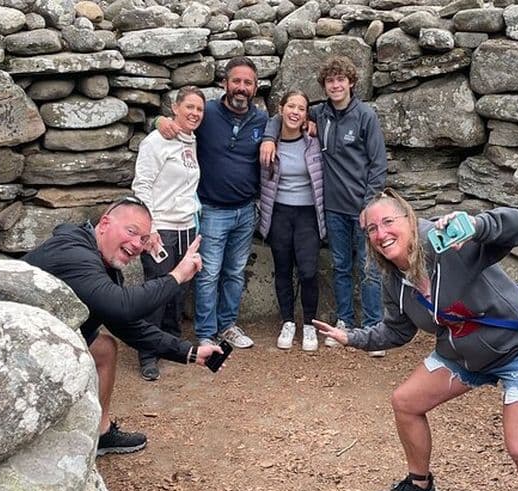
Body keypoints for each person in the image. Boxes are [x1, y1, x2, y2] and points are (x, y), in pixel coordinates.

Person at [314, 189, 518, 491]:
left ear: (409, 220)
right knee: (405, 402)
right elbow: (397, 331)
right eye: (371, 229)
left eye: (388, 222)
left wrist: (478, 225)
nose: (381, 234)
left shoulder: (445, 243)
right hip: (463, 355)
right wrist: (351, 337)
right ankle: (421, 487)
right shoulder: (393, 277)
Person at [22, 196, 223, 456]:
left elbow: (125, 323)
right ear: (105, 223)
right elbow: (122, 306)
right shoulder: (74, 253)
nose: (137, 244)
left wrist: (190, 353)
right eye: (131, 232)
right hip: (17, 342)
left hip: (48, 336)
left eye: (143, 238)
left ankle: (101, 433)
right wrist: (176, 276)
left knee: (104, 348)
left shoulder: (102, 263)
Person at [261, 55, 387, 356]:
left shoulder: (365, 116)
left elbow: (378, 164)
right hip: (333, 208)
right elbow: (284, 116)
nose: (335, 85)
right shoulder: (321, 113)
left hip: (363, 207)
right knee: (341, 267)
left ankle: (373, 329)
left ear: (351, 82)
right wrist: (268, 136)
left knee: (369, 269)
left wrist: (370, 204)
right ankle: (345, 321)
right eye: (330, 81)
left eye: (340, 80)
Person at [156, 57, 268, 349]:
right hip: (212, 210)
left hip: (246, 210)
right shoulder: (209, 114)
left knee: (235, 273)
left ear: (255, 87)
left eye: (248, 83)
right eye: (236, 81)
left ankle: (227, 325)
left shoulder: (261, 120)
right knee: (208, 274)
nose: (241, 87)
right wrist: (160, 121)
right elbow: (179, 123)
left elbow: (287, 125)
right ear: (224, 83)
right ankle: (206, 333)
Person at [132, 86, 206, 381]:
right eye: (189, 107)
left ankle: (171, 343)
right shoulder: (156, 141)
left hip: (186, 226)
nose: (195, 113)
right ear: (175, 108)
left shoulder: (192, 140)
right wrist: (148, 228)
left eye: (199, 109)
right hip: (160, 226)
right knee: (156, 290)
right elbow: (142, 185)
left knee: (178, 290)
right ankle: (147, 353)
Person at [258, 90, 326, 352]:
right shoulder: (269, 141)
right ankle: (288, 321)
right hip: (279, 212)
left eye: (301, 108)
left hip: (308, 213)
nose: (295, 112)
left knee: (308, 271)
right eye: (291, 106)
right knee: (283, 269)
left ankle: (309, 323)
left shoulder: (314, 140)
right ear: (281, 109)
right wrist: (268, 138)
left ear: (307, 114)